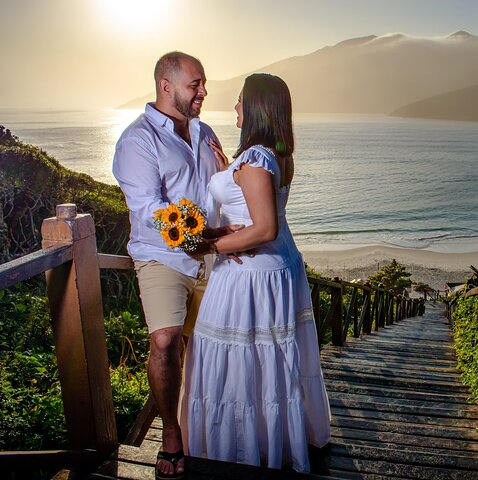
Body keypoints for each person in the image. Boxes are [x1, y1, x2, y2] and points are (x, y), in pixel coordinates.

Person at [181, 73, 332, 473]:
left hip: (249, 276)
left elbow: (263, 228)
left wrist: (207, 243)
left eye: (240, 101)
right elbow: (254, 203)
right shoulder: (275, 155)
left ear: (256, 109)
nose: (234, 108)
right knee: (266, 364)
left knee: (237, 363)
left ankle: (238, 451)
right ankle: (271, 439)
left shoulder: (257, 159)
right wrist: (229, 169)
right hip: (277, 269)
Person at [113, 51, 237, 480]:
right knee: (166, 341)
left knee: (214, 348)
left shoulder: (206, 133)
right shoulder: (137, 140)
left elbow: (221, 190)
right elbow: (149, 209)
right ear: (166, 86)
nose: (203, 91)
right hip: (162, 257)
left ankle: (213, 431)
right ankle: (170, 435)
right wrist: (203, 239)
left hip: (213, 256)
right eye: (195, 84)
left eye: (203, 84)